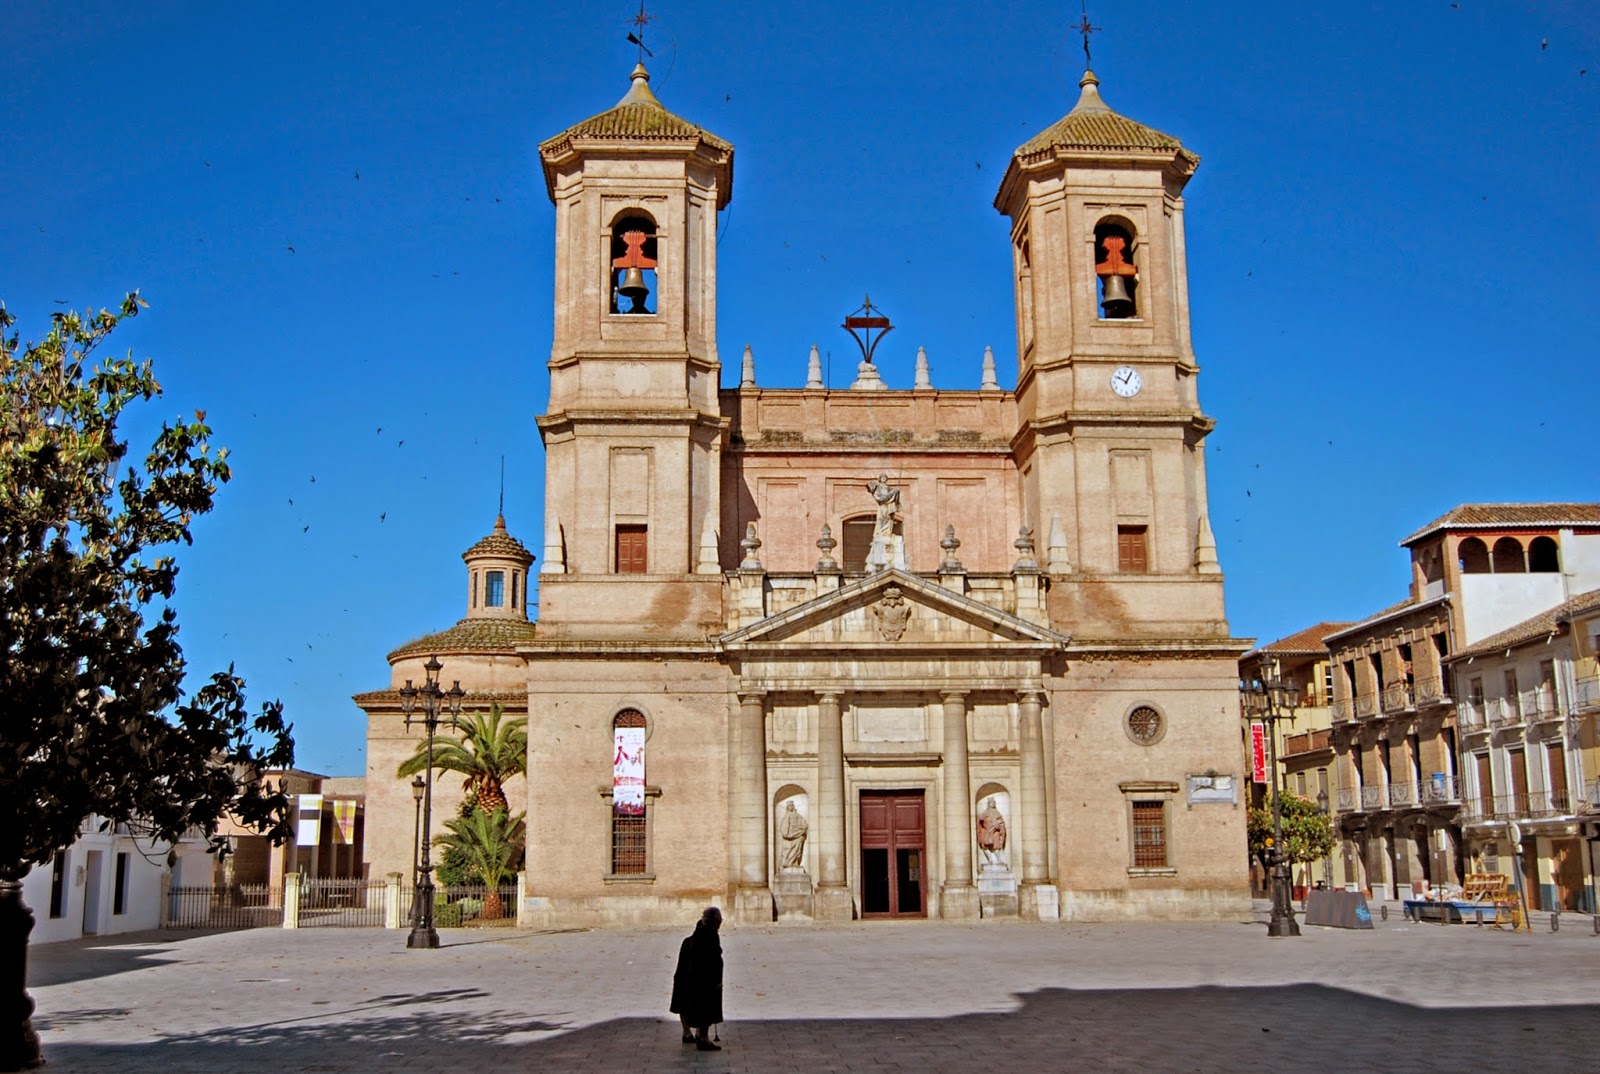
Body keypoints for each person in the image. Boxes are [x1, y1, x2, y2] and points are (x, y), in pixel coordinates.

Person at [669, 906, 724, 1050]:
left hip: (689, 979)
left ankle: (690, 1034)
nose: (720, 924)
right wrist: (715, 980)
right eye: (719, 921)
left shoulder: (692, 938)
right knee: (706, 1008)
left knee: (692, 1007)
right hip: (703, 980)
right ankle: (703, 1038)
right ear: (714, 921)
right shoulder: (710, 935)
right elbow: (712, 959)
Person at [977, 797, 1007, 867]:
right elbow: (981, 820)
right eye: (991, 802)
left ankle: (999, 860)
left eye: (994, 802)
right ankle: (990, 859)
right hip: (987, 831)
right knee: (985, 845)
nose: (993, 803)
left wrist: (998, 826)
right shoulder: (985, 812)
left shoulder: (997, 812)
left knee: (996, 846)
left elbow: (1001, 822)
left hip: (995, 831)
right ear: (989, 804)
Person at [778, 801, 808, 869]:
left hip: (798, 834)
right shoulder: (787, 815)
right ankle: (787, 862)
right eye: (789, 806)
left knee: (797, 849)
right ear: (787, 807)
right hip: (790, 835)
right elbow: (784, 827)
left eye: (792, 806)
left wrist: (802, 829)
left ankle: (795, 862)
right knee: (789, 849)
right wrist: (787, 834)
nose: (791, 807)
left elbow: (804, 822)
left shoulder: (798, 815)